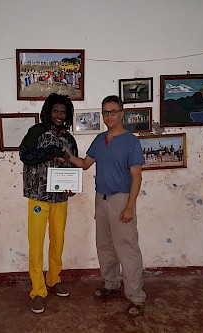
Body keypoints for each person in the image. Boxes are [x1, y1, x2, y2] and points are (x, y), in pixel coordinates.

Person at [61, 95, 146, 317]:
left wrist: (129, 207)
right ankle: (111, 284)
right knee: (105, 246)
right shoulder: (100, 140)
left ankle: (136, 297)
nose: (109, 116)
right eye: (105, 112)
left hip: (121, 200)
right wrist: (68, 156)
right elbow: (85, 164)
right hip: (101, 199)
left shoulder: (131, 141)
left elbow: (136, 178)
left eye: (113, 112)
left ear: (122, 113)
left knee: (127, 250)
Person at [19, 93, 78, 314]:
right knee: (36, 245)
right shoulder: (36, 132)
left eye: (63, 112)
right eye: (56, 111)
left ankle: (54, 279)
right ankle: (38, 291)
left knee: (58, 242)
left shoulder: (70, 139)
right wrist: (49, 152)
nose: (60, 115)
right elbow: (25, 156)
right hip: (37, 197)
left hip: (60, 199)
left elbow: (73, 164)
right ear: (48, 112)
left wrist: (72, 185)